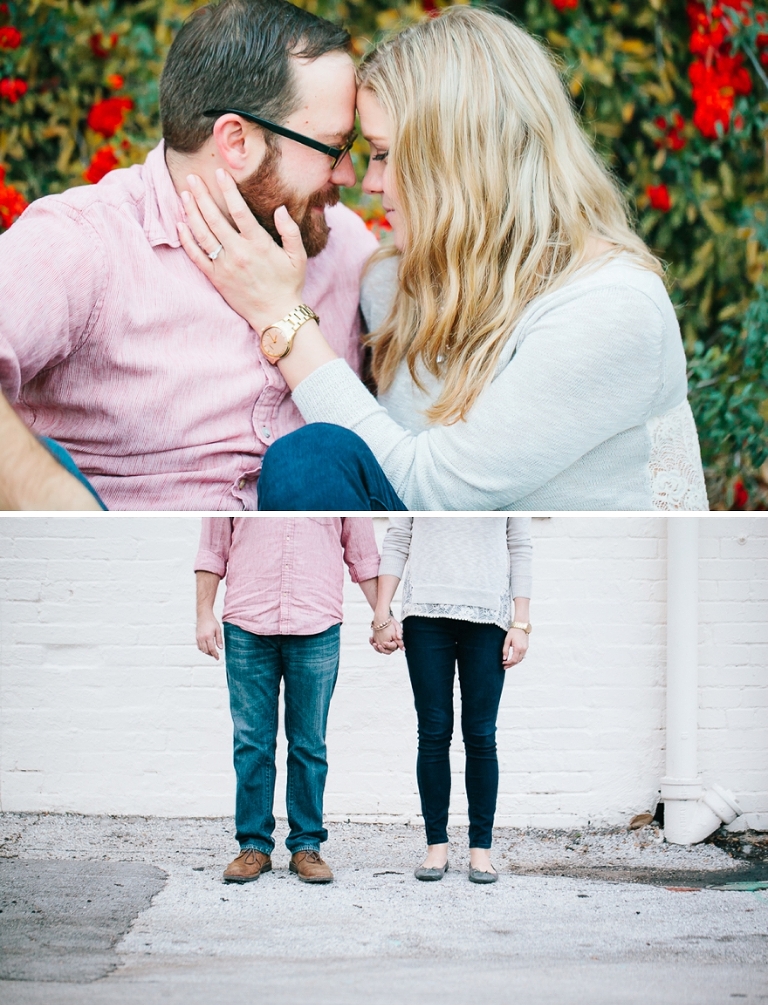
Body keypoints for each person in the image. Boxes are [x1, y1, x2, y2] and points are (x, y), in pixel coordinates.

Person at [179, 5, 709, 512]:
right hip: (408, 577)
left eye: (385, 154)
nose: (368, 182)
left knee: (306, 460)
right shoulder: (389, 281)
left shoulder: (609, 310)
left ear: (457, 161)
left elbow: (430, 494)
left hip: (574, 583)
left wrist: (280, 315)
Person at [0, 0, 377, 510]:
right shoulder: (86, 244)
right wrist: (53, 498)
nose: (349, 176)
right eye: (334, 148)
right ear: (236, 140)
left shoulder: (345, 245)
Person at [195, 516, 380, 883]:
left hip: (317, 624)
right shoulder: (242, 470)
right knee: (251, 743)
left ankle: (307, 846)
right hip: (248, 622)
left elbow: (363, 554)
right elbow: (213, 549)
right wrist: (204, 613)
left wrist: (382, 616)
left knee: (310, 744)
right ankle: (254, 846)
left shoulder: (337, 472)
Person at [371, 517, 532, 883]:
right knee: (432, 732)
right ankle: (436, 847)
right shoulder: (420, 469)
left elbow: (520, 544)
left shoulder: (504, 469)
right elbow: (398, 538)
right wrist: (382, 611)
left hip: (488, 617)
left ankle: (481, 850)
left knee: (480, 735)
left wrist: (520, 622)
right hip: (425, 615)